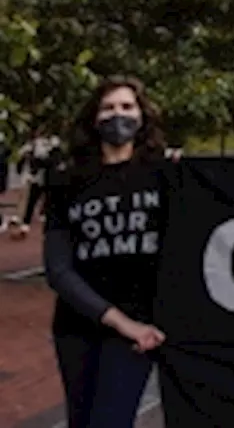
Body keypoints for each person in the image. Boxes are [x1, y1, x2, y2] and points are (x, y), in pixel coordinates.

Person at [43, 76, 169, 428]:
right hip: (78, 324)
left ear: (142, 116)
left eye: (127, 107)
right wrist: (118, 320)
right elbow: (58, 268)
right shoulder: (68, 179)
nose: (118, 115)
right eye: (108, 107)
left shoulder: (164, 176)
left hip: (137, 332)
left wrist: (146, 323)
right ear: (94, 118)